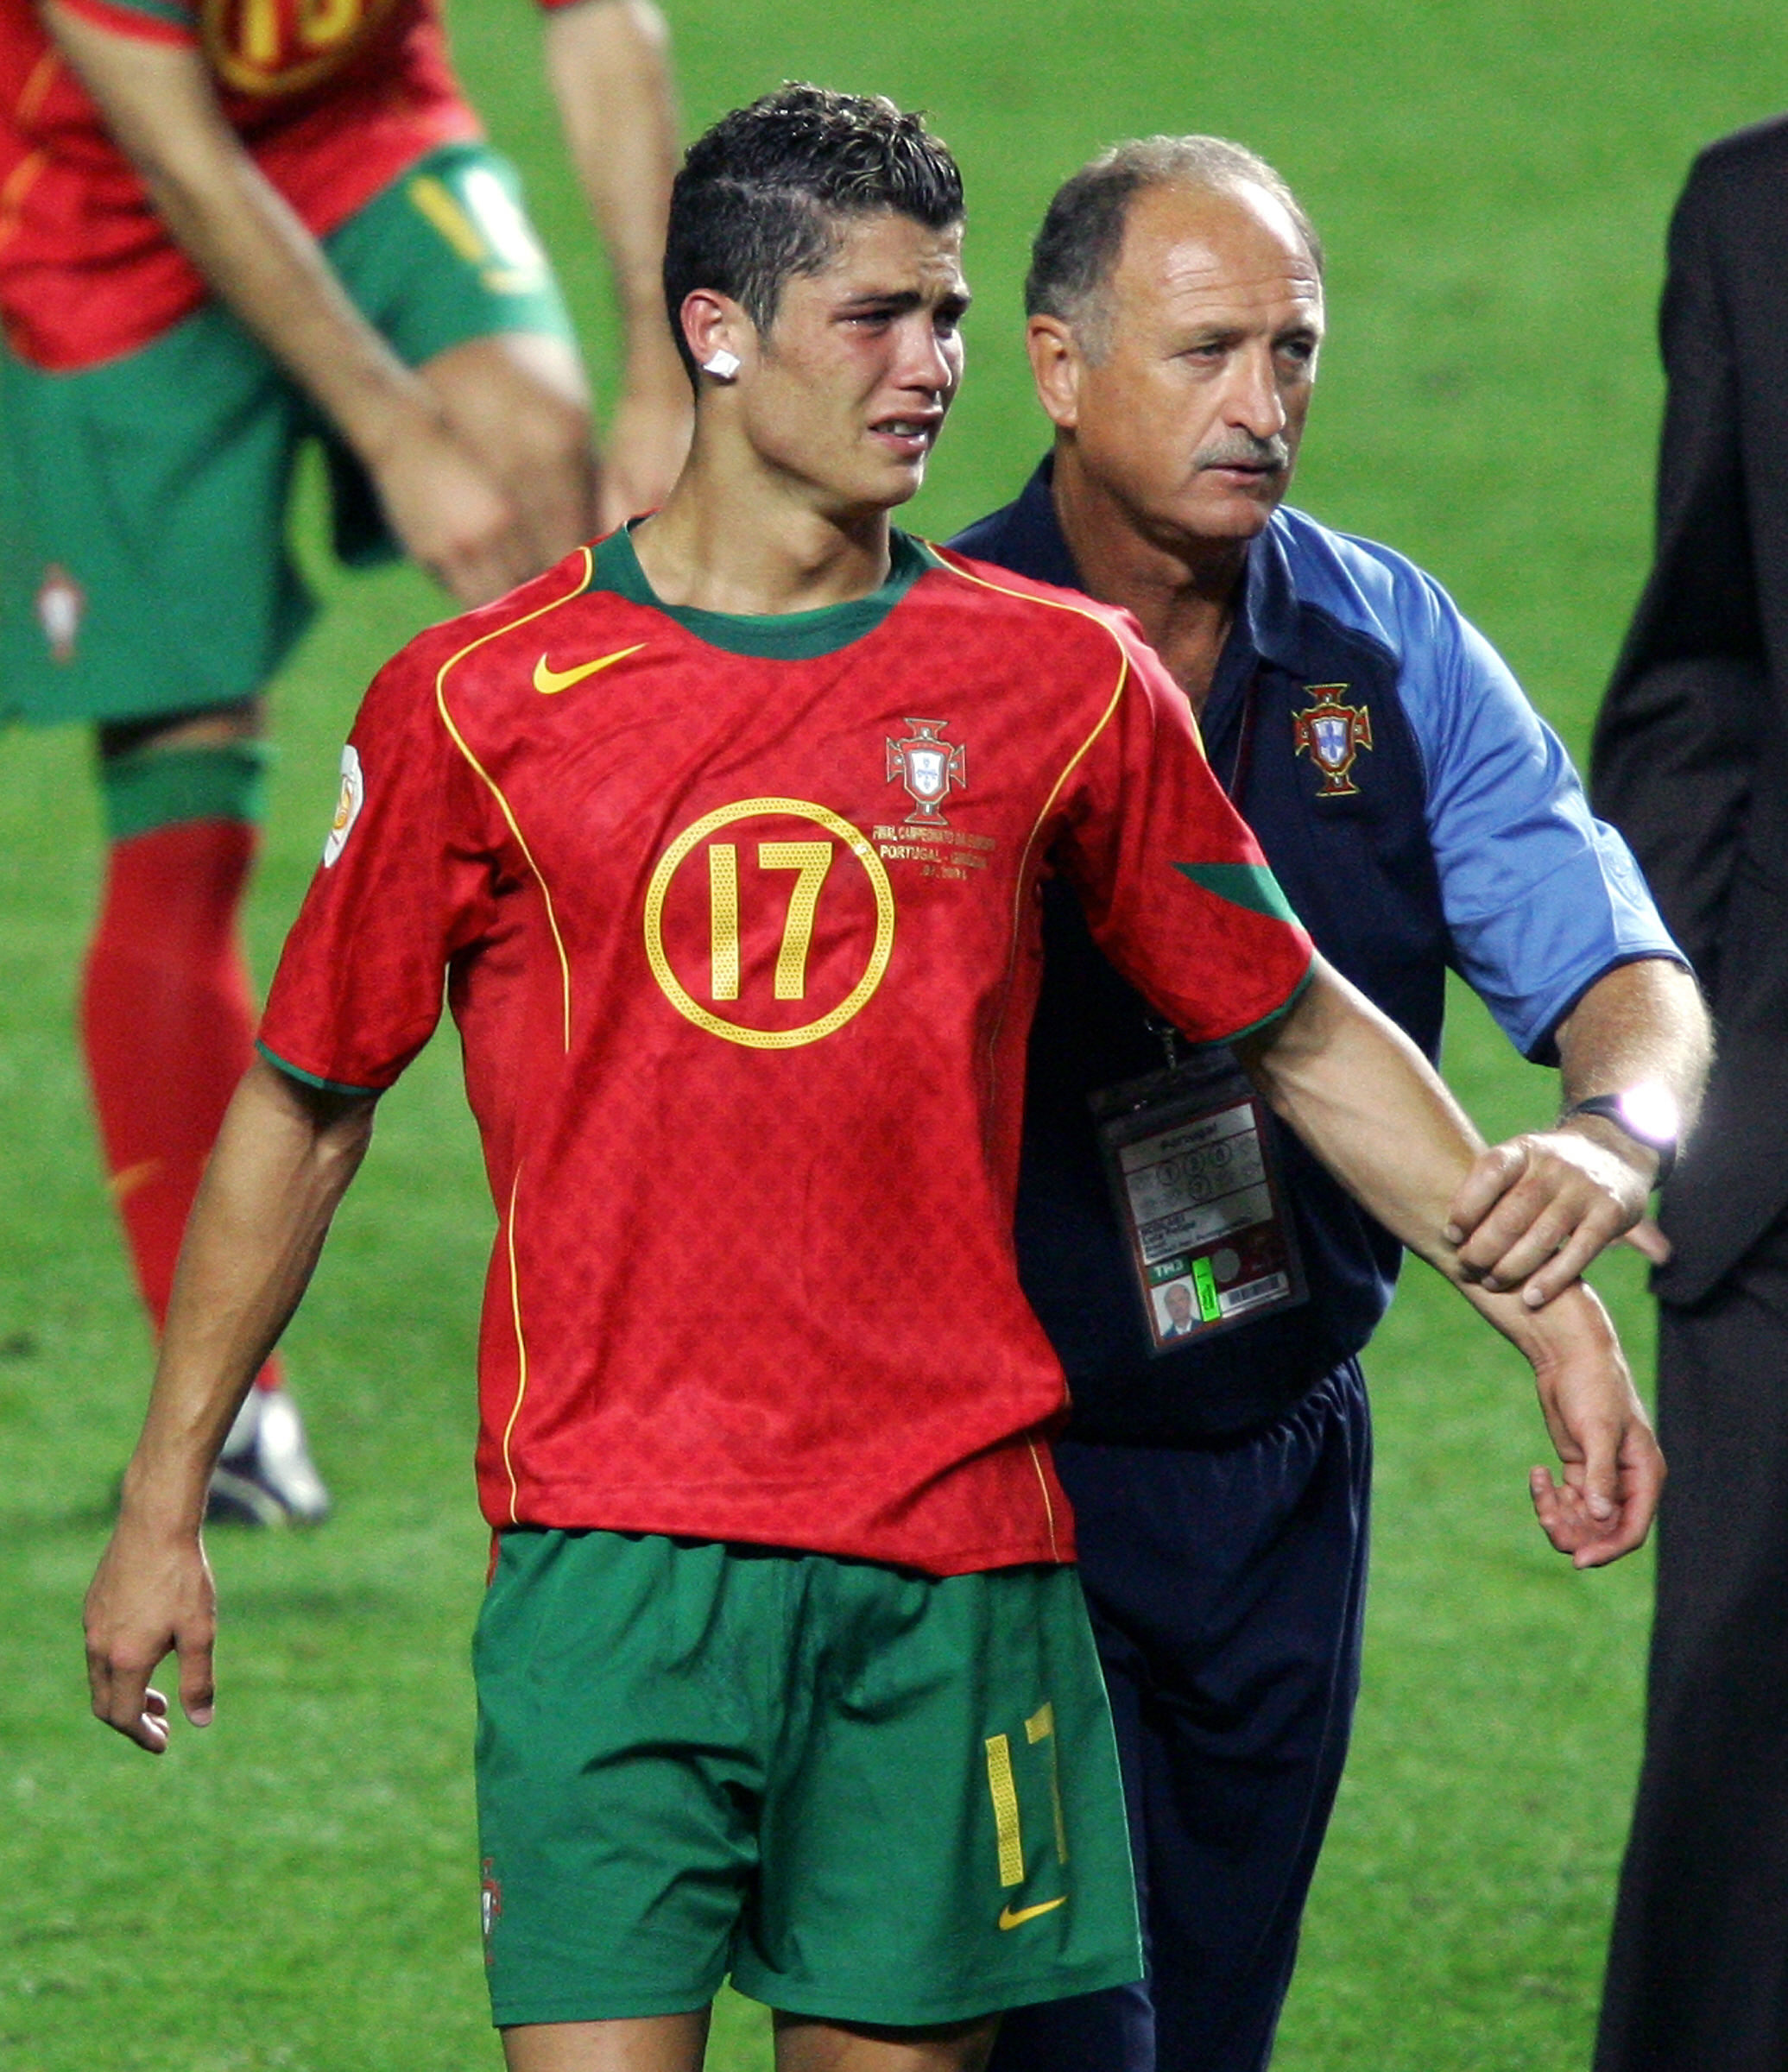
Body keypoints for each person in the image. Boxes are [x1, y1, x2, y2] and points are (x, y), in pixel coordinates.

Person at [83, 89, 1662, 2072]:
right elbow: (307, 1099)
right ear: (720, 333)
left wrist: (1542, 1302)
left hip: (950, 1576)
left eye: (944, 313)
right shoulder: (484, 707)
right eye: (878, 320)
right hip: (612, 1563)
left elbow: (1296, 1022)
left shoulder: (1057, 683)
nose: (934, 369)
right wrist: (165, 1503)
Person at [951, 136, 1711, 2072]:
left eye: (1293, 352)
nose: (1259, 406)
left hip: (1283, 1466)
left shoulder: (1385, 645)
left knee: (1208, 2034)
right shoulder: (932, 667)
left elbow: (1619, 970)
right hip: (1000, 1491)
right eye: (1205, 351)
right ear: (1054, 366)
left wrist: (1611, 1146)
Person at [0, 0, 688, 1521]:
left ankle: (677, 1254)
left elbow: (600, 19)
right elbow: (177, 151)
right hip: (103, 201)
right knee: (184, 777)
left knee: (564, 564)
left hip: (361, 127)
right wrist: (390, 431)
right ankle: (233, 1414)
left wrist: (661, 359)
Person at [1588, 116, 1788, 2072]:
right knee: (1739, 1864)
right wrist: (1673, 1056)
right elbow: (1700, 677)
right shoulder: (1752, 209)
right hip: (1785, 1199)